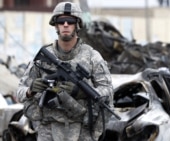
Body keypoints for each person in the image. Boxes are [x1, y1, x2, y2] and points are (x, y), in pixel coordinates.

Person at [16, 2, 113, 141]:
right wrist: (30, 90)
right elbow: (20, 92)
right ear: (56, 25)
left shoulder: (92, 56)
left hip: (82, 131)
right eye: (61, 21)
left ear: (77, 25)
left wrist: (81, 92)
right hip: (48, 130)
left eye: (70, 21)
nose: (66, 25)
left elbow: (108, 91)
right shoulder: (43, 57)